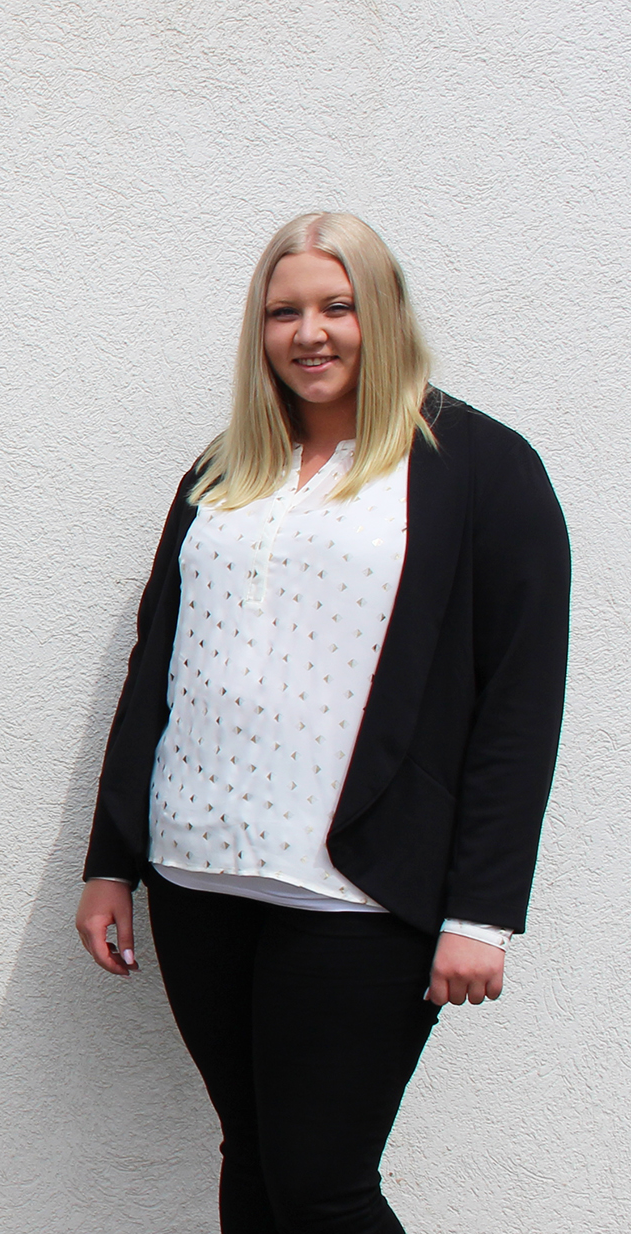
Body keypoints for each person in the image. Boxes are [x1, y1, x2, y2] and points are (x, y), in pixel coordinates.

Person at [75, 212, 569, 1232]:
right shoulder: (224, 469)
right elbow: (158, 666)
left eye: (336, 306)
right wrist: (111, 860)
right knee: (255, 1159)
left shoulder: (479, 468)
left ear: (382, 312)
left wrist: (480, 913)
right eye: (283, 311)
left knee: (323, 1186)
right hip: (200, 876)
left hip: (361, 892)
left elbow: (518, 702)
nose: (310, 333)